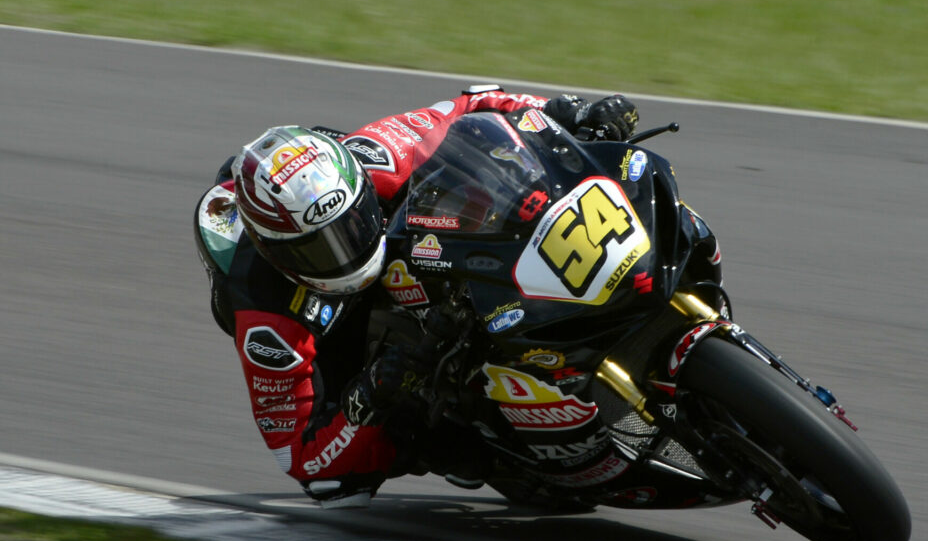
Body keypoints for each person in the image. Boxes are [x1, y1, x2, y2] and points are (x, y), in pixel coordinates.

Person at [193, 85, 639, 508]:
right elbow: (301, 458)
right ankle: (464, 439)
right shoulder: (265, 319)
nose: (346, 251)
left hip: (404, 237)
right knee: (343, 487)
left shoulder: (376, 156)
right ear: (275, 252)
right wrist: (366, 396)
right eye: (319, 248)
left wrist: (566, 112)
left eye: (351, 225)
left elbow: (474, 105)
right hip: (338, 342)